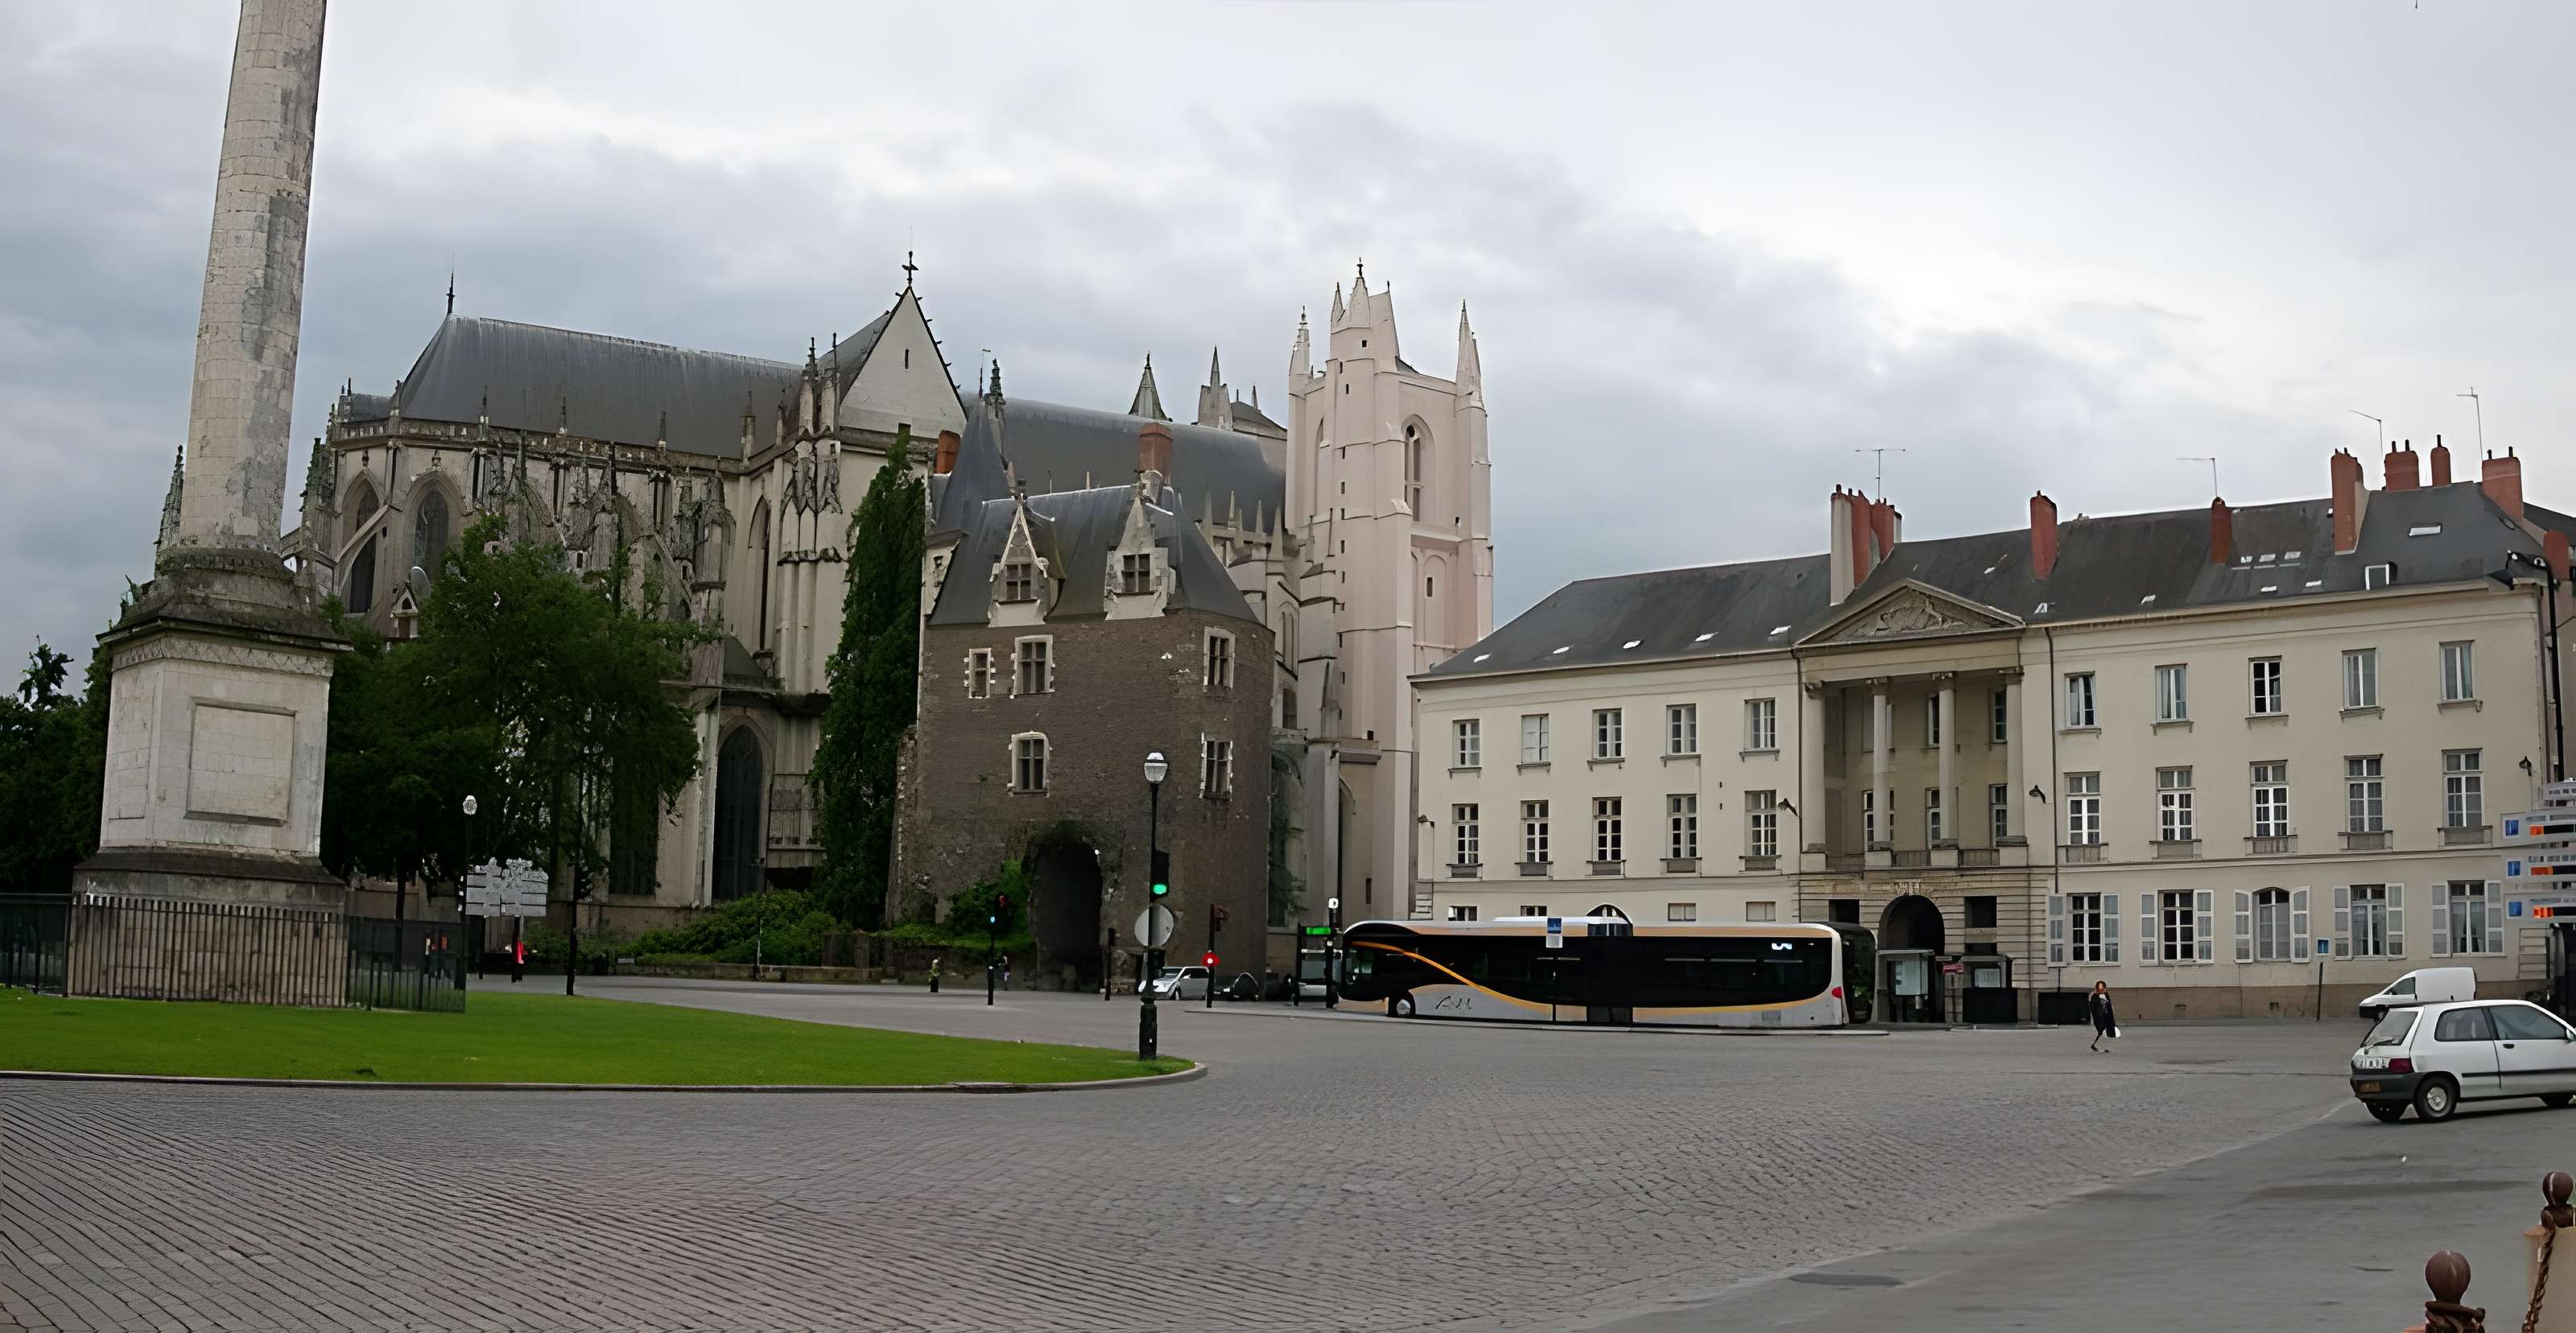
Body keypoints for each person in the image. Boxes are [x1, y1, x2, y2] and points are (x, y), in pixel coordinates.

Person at [2087, 980, 2119, 1051]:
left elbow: (2109, 1005)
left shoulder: (2105, 994)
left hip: (2107, 1015)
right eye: (2100, 987)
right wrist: (2097, 1016)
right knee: (2101, 1030)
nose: (2101, 989)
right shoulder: (2094, 996)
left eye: (2102, 987)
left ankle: (2097, 1045)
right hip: (2100, 1017)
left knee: (2106, 1031)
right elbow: (2093, 1008)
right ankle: (2098, 1045)